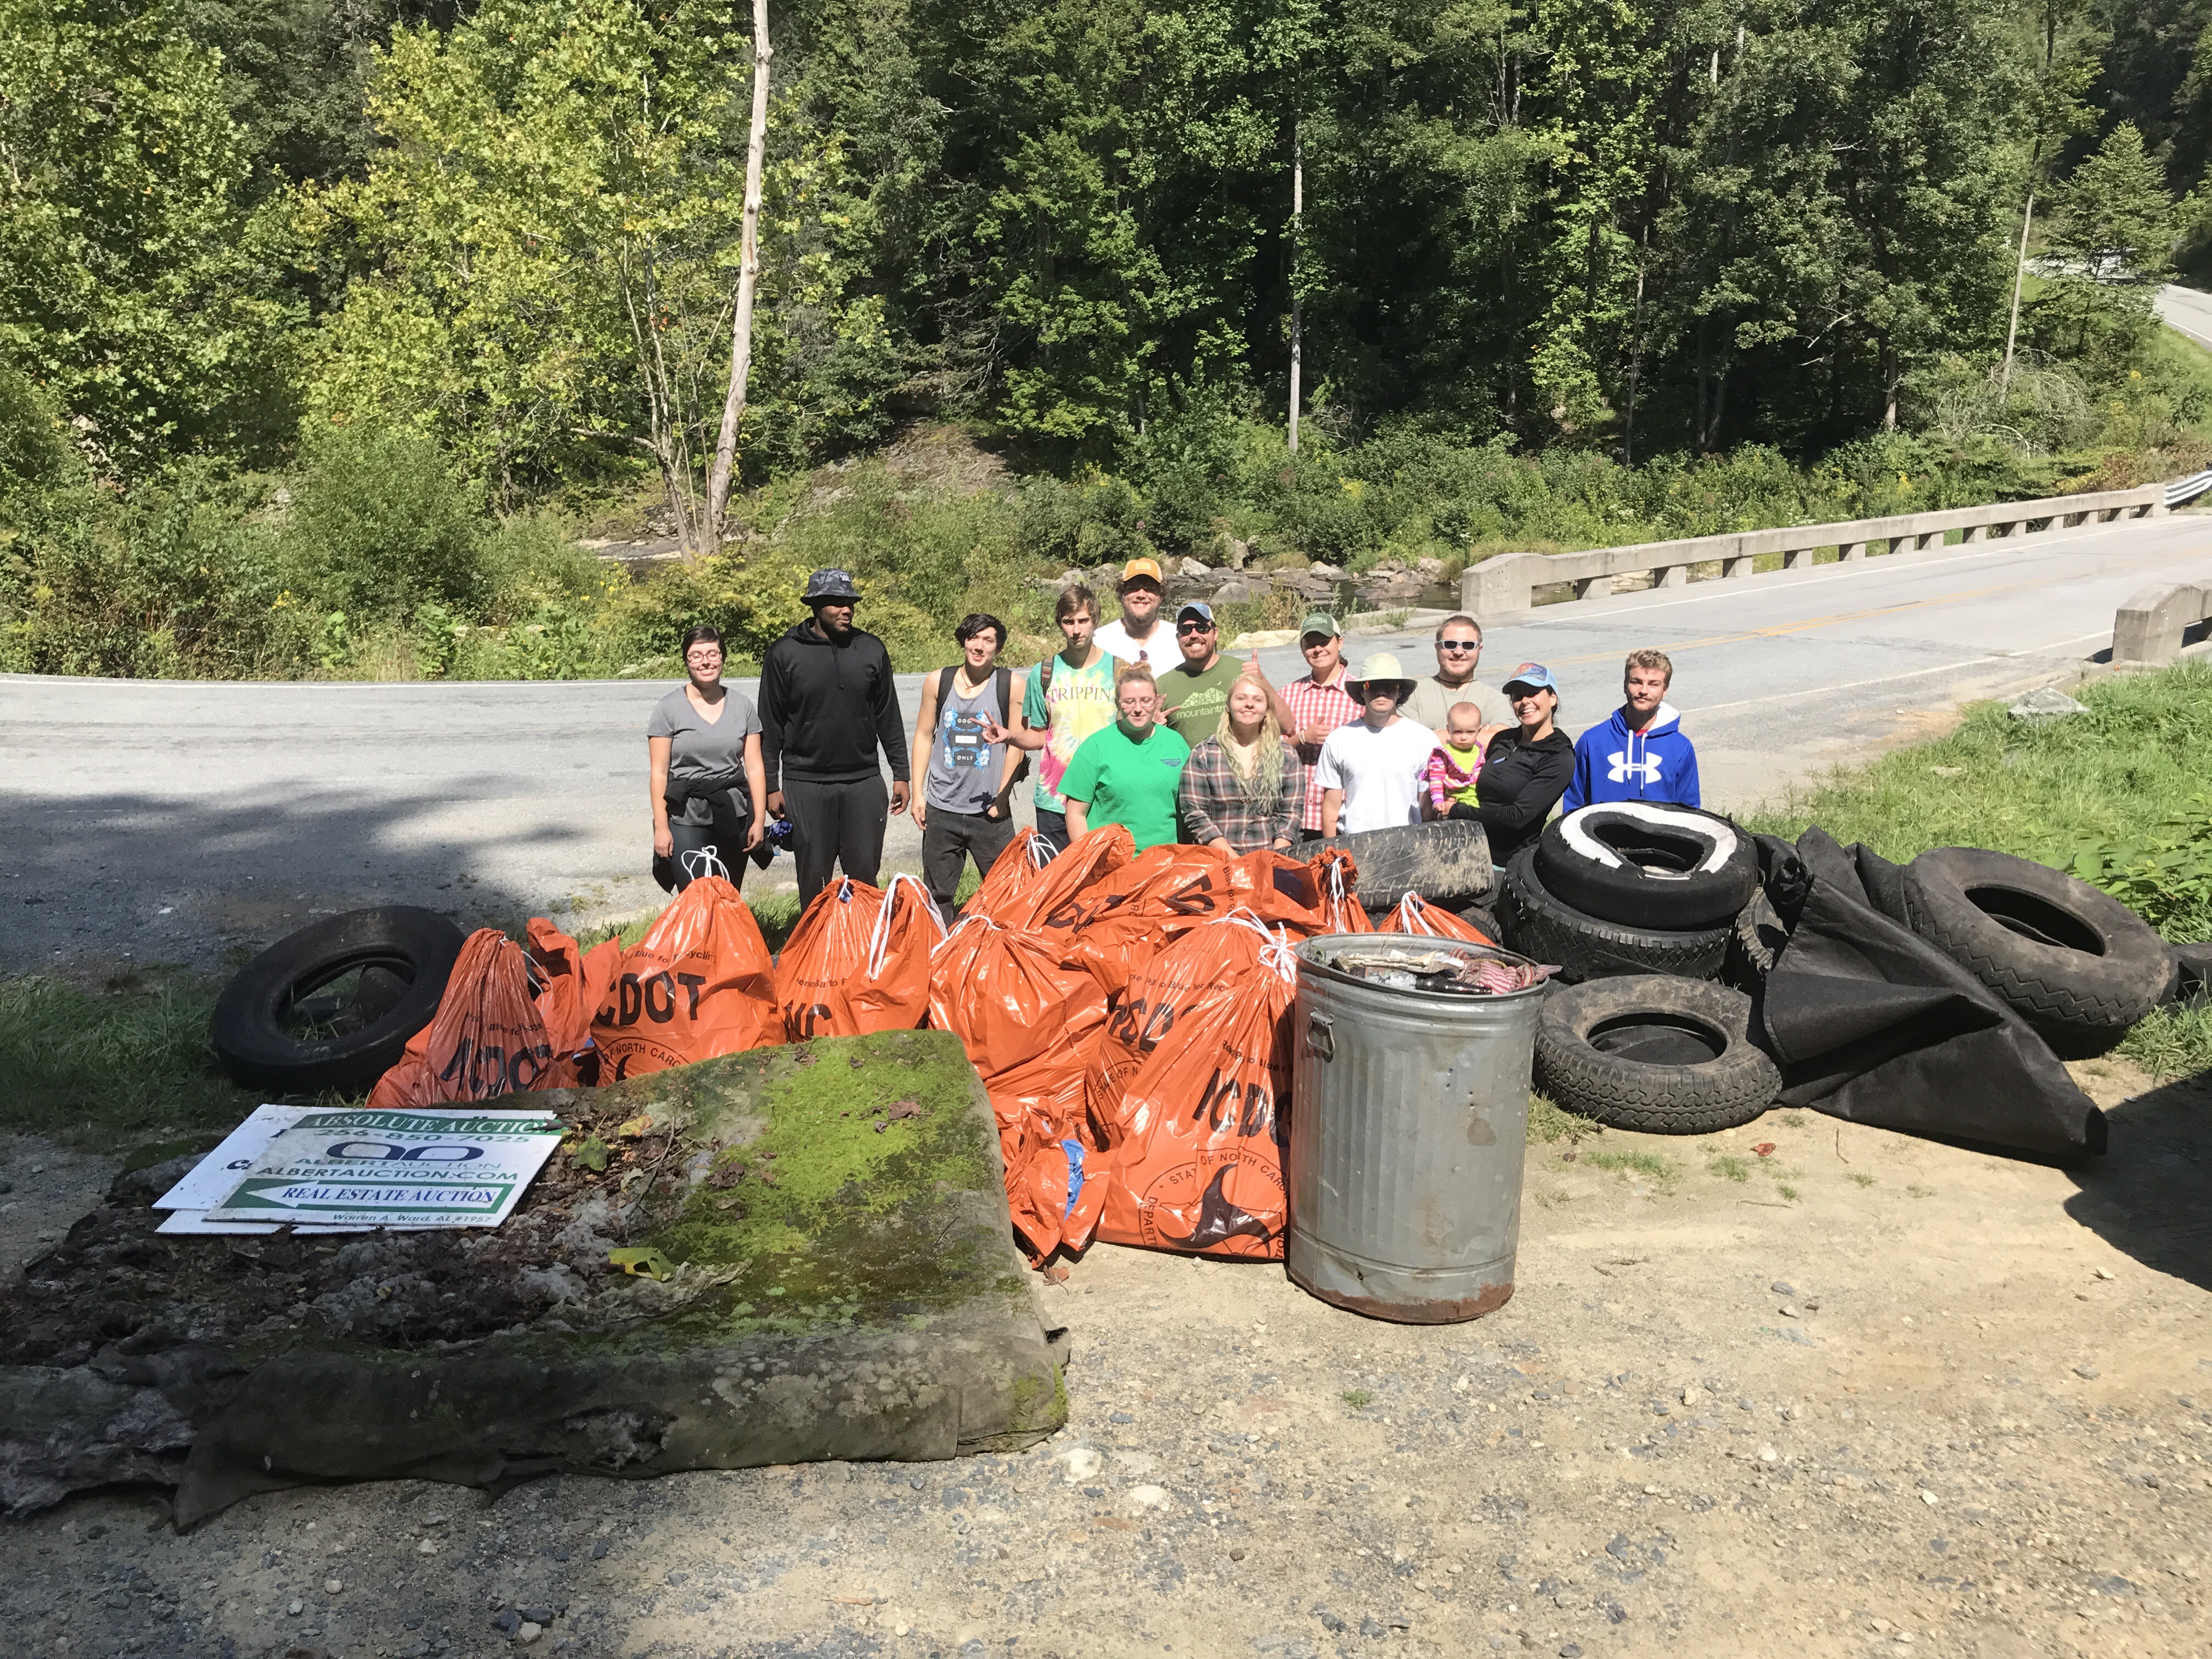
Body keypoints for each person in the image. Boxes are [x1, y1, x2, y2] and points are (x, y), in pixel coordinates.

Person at [759, 568, 911, 907]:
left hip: (864, 783)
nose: (847, 610)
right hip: (806, 784)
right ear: (815, 606)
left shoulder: (870, 649)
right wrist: (771, 785)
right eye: (837, 603)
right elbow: (770, 726)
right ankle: (816, 953)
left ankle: (864, 951)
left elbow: (889, 717)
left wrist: (901, 773)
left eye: (851, 603)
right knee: (814, 885)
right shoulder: (784, 654)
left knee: (865, 884)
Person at [988, 583, 1122, 851]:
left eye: (1083, 621)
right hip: (1055, 799)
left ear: (1095, 621)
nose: (1076, 630)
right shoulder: (1044, 672)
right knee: (1058, 886)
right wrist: (1011, 736)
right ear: (1060, 624)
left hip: (1105, 797)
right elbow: (1039, 735)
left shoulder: (1117, 669)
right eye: (1068, 622)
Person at [911, 612, 1024, 923]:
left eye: (988, 640)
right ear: (963, 641)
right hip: (942, 807)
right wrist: (918, 795)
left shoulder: (1011, 684)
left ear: (998, 648)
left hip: (990, 812)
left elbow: (1016, 744)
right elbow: (923, 736)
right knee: (938, 895)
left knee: (1006, 894)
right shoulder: (939, 681)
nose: (979, 647)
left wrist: (1002, 797)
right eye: (974, 638)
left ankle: (1000, 958)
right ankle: (940, 957)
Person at [647, 624, 766, 890]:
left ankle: (725, 935)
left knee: (728, 895)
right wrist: (661, 827)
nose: (706, 662)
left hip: (733, 813)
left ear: (723, 657)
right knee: (696, 896)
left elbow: (755, 767)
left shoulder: (742, 706)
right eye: (696, 655)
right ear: (686, 661)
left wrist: (759, 820)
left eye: (713, 654)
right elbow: (658, 773)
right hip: (685, 816)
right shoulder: (668, 709)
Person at [1446, 663, 1575, 863]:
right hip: (1468, 850)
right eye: (1517, 696)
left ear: (1553, 698)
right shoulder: (1503, 739)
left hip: (1510, 864)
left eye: (1532, 693)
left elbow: (1516, 817)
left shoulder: (1559, 756)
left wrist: (1456, 810)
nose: (1524, 702)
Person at [1058, 664, 1192, 852]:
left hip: (1169, 861)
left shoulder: (1175, 743)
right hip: (1113, 864)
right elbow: (1075, 814)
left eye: (1146, 700)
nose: (1138, 709)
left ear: (1156, 702)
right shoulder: (1096, 747)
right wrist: (1089, 859)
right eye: (1129, 701)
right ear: (1118, 703)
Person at [1176, 675, 1305, 854]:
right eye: (1241, 698)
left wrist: (1274, 858)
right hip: (1220, 864)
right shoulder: (1204, 754)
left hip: (1271, 860)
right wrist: (1234, 861)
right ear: (1228, 706)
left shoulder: (1287, 755)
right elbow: (1195, 814)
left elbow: (1291, 813)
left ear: (1267, 709)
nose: (1249, 704)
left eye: (1257, 699)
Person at [1561, 647, 1701, 812]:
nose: (1643, 691)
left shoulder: (1680, 748)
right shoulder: (1593, 741)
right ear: (1625, 685)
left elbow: (1690, 813)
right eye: (1637, 682)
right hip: (1601, 837)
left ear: (1665, 691)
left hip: (1658, 837)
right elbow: (1573, 805)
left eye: (1653, 684)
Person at [1316, 652, 1436, 836]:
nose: (1381, 692)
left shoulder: (1424, 739)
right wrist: (1332, 855)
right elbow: (1331, 807)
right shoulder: (1339, 740)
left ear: (1400, 691)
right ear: (1362, 691)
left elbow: (1427, 806)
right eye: (1372, 686)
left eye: (1389, 686)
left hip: (1409, 844)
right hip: (1354, 845)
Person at [1279, 611, 1358, 842]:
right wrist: (1302, 738)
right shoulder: (1288, 694)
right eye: (1310, 644)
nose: (1318, 649)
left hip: (1344, 813)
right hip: (1298, 814)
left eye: (1325, 642)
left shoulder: (1359, 691)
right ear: (1303, 650)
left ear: (1340, 642)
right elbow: (1271, 750)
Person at [1401, 614, 1513, 735]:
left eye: (1468, 646)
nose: (1458, 652)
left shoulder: (1495, 700)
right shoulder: (1412, 695)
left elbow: (1498, 742)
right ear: (1437, 648)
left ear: (1479, 649)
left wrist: (1434, 735)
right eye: (1450, 645)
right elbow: (1406, 741)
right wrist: (1478, 737)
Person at [1156, 601, 1246, 744]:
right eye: (1186, 630)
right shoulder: (1162, 685)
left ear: (1215, 633)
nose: (1194, 635)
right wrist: (1150, 728)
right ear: (1178, 637)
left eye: (1202, 628)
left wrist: (1262, 682)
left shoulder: (1242, 671)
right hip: (1187, 766)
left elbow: (1285, 725)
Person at [1091, 556, 1171, 667]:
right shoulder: (1098, 642)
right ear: (1121, 595)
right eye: (1133, 588)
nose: (1141, 595)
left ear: (1161, 596)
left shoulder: (1179, 639)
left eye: (1149, 589)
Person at [1420, 702, 1491, 818]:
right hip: (1451, 805)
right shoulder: (1444, 754)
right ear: (1449, 730)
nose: (1463, 738)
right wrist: (1438, 800)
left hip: (1475, 807)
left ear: (1479, 730)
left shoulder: (1480, 752)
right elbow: (1436, 779)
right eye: (1458, 732)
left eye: (1470, 732)